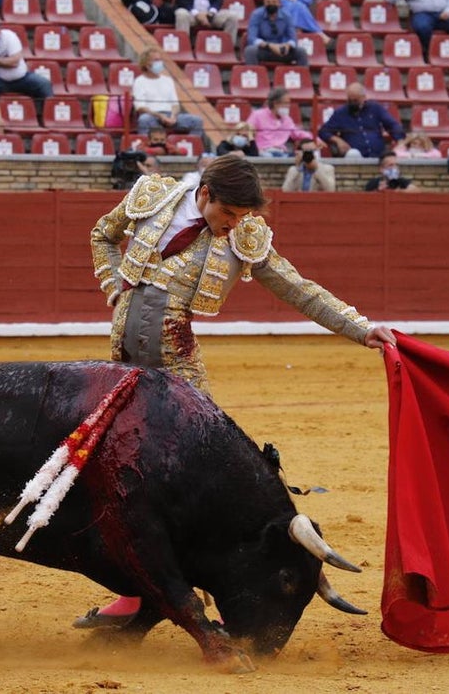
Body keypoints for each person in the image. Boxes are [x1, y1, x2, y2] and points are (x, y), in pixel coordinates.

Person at [83, 153, 395, 627]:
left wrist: (360, 327)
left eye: (243, 217)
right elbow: (102, 235)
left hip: (178, 366)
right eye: (229, 214)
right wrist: (113, 286)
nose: (234, 226)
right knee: (123, 479)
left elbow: (298, 288)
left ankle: (220, 586)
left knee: (195, 477)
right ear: (205, 194)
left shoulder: (244, 236)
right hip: (123, 361)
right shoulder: (151, 197)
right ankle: (143, 591)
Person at [130, 47, 204, 140]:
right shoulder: (139, 81)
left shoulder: (167, 80)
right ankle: (146, 149)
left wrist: (172, 117)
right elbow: (140, 107)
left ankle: (191, 146)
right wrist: (160, 116)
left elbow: (175, 104)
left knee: (197, 121)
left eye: (160, 60)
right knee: (144, 120)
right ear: (147, 64)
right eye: (156, 60)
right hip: (152, 116)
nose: (160, 63)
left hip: (170, 115)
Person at [318, 82, 404, 159]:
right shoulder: (341, 112)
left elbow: (392, 125)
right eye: (350, 100)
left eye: (355, 100)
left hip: (378, 155)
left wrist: (400, 140)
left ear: (363, 98)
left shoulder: (375, 108)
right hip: (354, 156)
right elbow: (323, 131)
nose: (352, 103)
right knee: (353, 154)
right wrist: (337, 140)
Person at [0, 17, 53, 104]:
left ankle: (44, 115)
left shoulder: (9, 36)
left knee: (44, 84)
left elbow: (14, 63)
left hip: (22, 79)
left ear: (0, 31)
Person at [243, 0, 308, 66]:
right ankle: (254, 76)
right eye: (268, 2)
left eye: (274, 2)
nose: (271, 4)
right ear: (264, 2)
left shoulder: (286, 15)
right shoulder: (256, 15)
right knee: (250, 50)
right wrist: (270, 46)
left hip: (282, 50)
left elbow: (293, 39)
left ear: (279, 3)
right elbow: (252, 38)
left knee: (301, 52)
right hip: (264, 50)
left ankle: (303, 76)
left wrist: (288, 45)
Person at [247, 87, 310, 157]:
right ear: (275, 103)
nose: (288, 106)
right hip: (263, 152)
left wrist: (315, 138)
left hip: (281, 152)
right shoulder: (257, 115)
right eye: (285, 103)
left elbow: (297, 133)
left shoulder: (287, 119)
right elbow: (246, 131)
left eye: (289, 103)